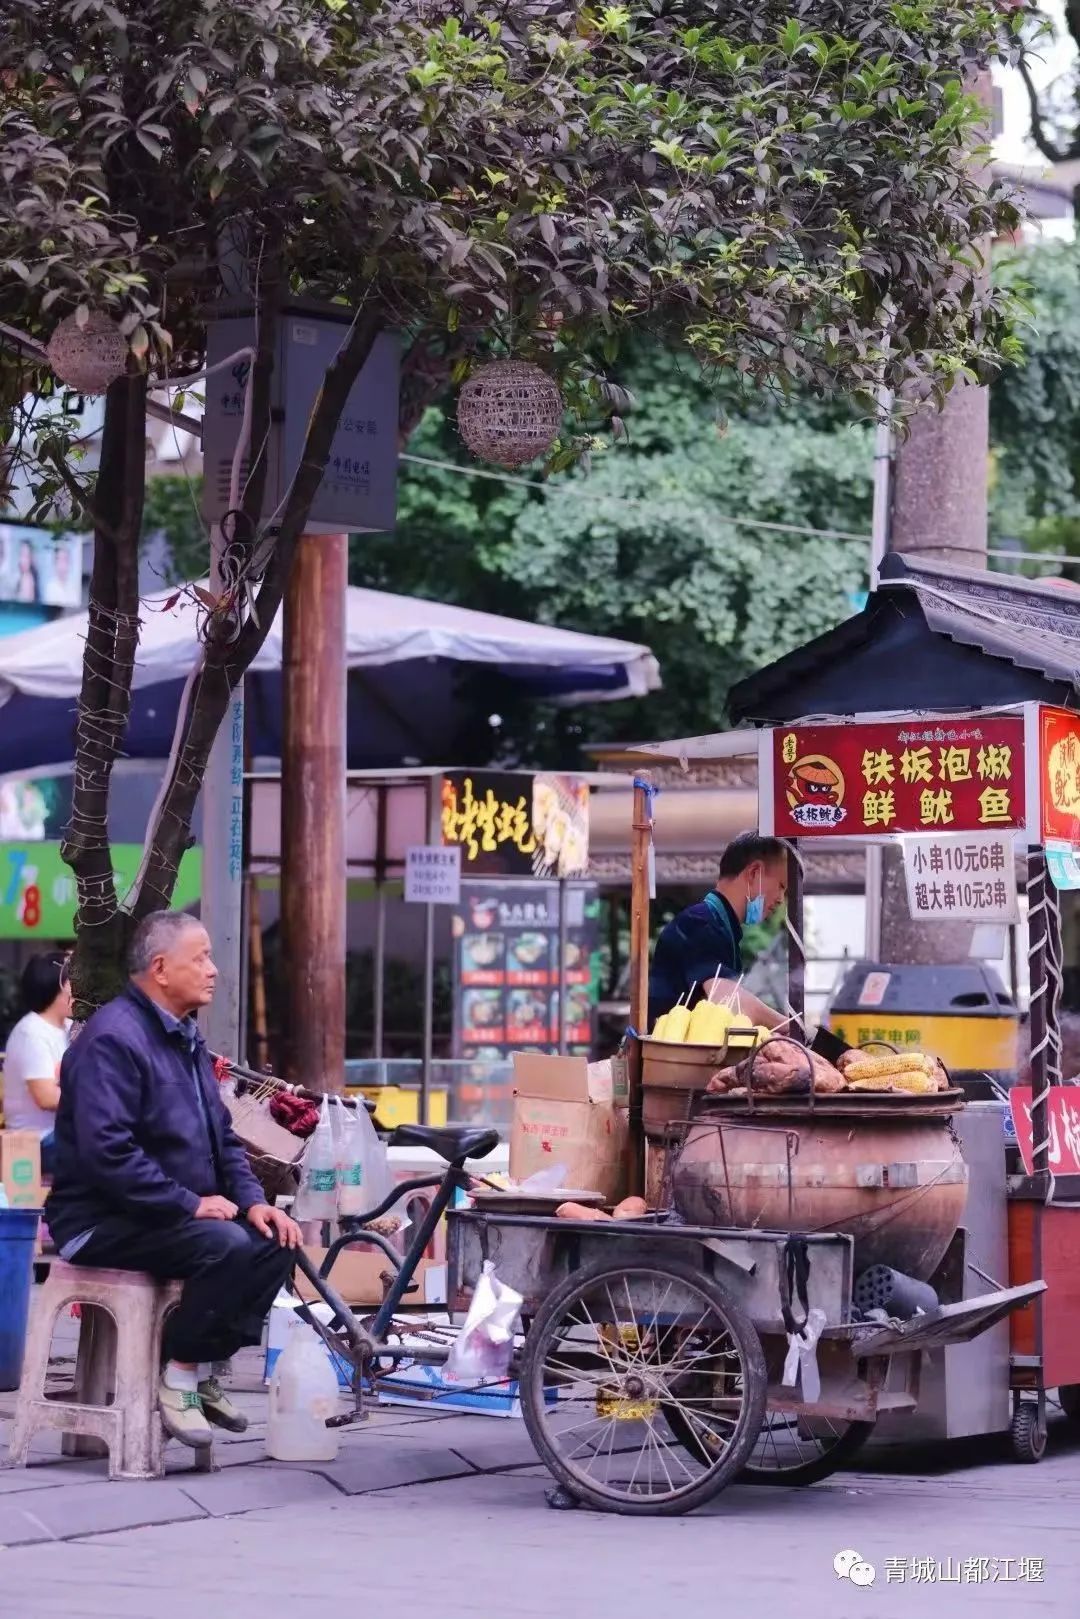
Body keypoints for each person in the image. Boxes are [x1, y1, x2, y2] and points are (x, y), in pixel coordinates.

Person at [45, 911, 301, 1448]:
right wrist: (188, 1203)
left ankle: (204, 1367)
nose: (212, 970)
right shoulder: (112, 1041)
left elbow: (223, 1140)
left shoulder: (184, 1038)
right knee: (225, 1246)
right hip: (101, 1219)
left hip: (163, 1215)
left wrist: (254, 1201)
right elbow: (106, 1154)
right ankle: (180, 1374)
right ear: (160, 969)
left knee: (275, 1240)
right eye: (200, 958)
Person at [648, 832, 789, 1030]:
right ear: (754, 872)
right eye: (781, 886)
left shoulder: (723, 927)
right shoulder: (699, 924)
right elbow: (730, 1000)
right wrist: (793, 1028)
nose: (781, 899)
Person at [3, 953, 72, 1175]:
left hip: (63, 1133)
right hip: (40, 1141)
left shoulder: (69, 1027)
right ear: (57, 988)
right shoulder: (32, 1032)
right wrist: (99, 1101)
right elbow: (47, 1097)